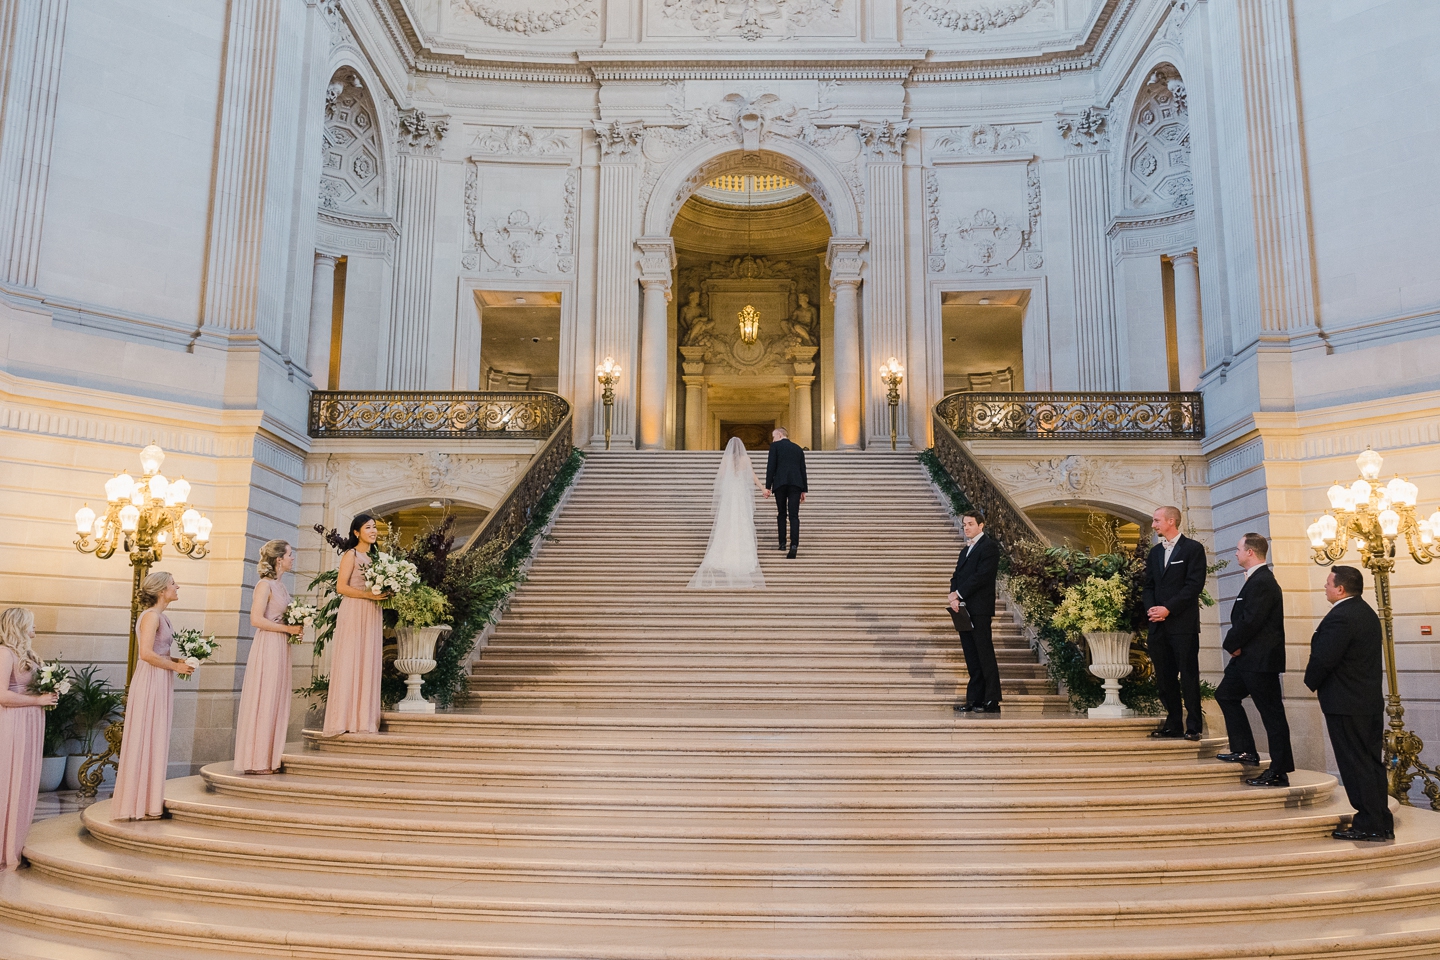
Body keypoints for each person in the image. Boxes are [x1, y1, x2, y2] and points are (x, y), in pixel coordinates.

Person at [1304, 565, 1394, 842]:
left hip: (1346, 703)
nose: (1325, 588)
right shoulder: (1365, 612)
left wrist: (1311, 680)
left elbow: (1325, 657)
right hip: (1365, 702)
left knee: (1356, 764)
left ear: (1340, 589)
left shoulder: (1341, 617)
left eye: (1328, 584)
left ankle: (1369, 823)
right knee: (1369, 763)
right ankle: (1380, 820)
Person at [1215, 533, 1295, 787]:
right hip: (1246, 659)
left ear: (1250, 552)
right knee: (1226, 695)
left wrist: (1231, 643)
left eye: (1238, 549)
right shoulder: (1255, 580)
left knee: (1272, 715)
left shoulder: (1263, 581)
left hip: (1260, 660)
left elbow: (1251, 620)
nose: (1236, 553)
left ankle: (1279, 771)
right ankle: (1245, 750)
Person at [112, 571, 193, 821]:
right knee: (146, 735)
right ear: (161, 591)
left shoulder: (163, 617)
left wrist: (179, 660)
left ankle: (149, 801)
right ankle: (137, 803)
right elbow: (145, 654)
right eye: (172, 584)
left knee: (156, 736)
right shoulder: (150, 617)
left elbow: (160, 652)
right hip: (150, 680)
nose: (177, 586)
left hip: (161, 677)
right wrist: (175, 667)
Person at [234, 539, 304, 774]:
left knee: (276, 698)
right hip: (268, 646)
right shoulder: (264, 585)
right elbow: (256, 620)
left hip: (281, 646)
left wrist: (295, 628)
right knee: (265, 697)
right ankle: (255, 760)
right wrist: (287, 629)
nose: (292, 558)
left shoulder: (282, 587)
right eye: (290, 554)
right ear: (279, 560)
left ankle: (268, 757)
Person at [1142, 505, 1208, 741]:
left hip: (1183, 625)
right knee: (1164, 677)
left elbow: (1193, 586)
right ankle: (1173, 724)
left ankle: (1193, 726)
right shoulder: (1155, 553)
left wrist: (1168, 609)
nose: (1154, 524)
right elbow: (1149, 585)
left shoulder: (1193, 549)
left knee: (1188, 675)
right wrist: (1152, 610)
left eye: (1157, 520)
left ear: (1171, 521)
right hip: (1158, 625)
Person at [0, 607, 58, 870]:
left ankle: (17, 841)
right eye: (31, 623)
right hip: (15, 723)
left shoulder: (30, 655)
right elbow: (2, 695)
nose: (36, 627)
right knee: (10, 780)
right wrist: (38, 699)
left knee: (26, 780)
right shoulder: (5, 653)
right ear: (19, 626)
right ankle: (5, 847)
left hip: (33, 721)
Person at [322, 515, 386, 737]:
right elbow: (341, 587)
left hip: (373, 612)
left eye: (375, 527)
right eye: (368, 527)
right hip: (355, 610)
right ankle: (344, 718)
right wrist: (366, 594)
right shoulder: (352, 554)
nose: (373, 531)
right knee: (351, 659)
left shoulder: (379, 557)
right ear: (357, 532)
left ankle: (364, 719)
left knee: (368, 660)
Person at [687, 438, 766, 590]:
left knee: (727, 522)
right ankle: (743, 558)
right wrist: (762, 488)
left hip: (730, 495)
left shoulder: (725, 459)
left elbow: (721, 477)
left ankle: (724, 554)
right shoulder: (746, 459)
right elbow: (752, 476)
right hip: (741, 495)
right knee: (742, 522)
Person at [949, 510, 1002, 713]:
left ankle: (992, 700)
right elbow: (957, 575)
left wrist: (959, 594)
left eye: (970, 524)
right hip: (963, 610)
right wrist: (953, 594)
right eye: (964, 525)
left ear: (981, 525)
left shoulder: (989, 548)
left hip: (979, 609)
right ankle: (975, 699)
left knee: (984, 653)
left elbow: (982, 577)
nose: (966, 528)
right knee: (971, 655)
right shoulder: (965, 550)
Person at [763, 427, 807, 559]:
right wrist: (804, 489)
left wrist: (767, 486)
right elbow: (802, 469)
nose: (773, 439)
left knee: (782, 513)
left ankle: (782, 543)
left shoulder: (775, 446)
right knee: (794, 515)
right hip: (796, 484)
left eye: (773, 436)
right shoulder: (798, 449)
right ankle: (794, 545)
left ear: (780, 435)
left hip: (780, 483)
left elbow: (771, 466)